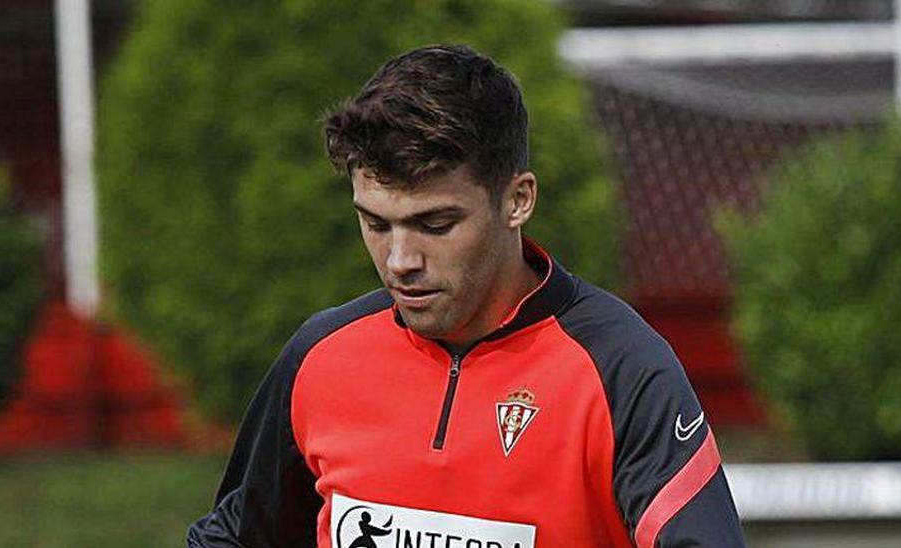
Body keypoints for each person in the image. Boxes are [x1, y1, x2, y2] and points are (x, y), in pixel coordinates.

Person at [187, 44, 745, 548]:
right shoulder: (319, 355)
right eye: (376, 225)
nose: (401, 261)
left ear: (517, 201)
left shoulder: (621, 368)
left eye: (435, 224)